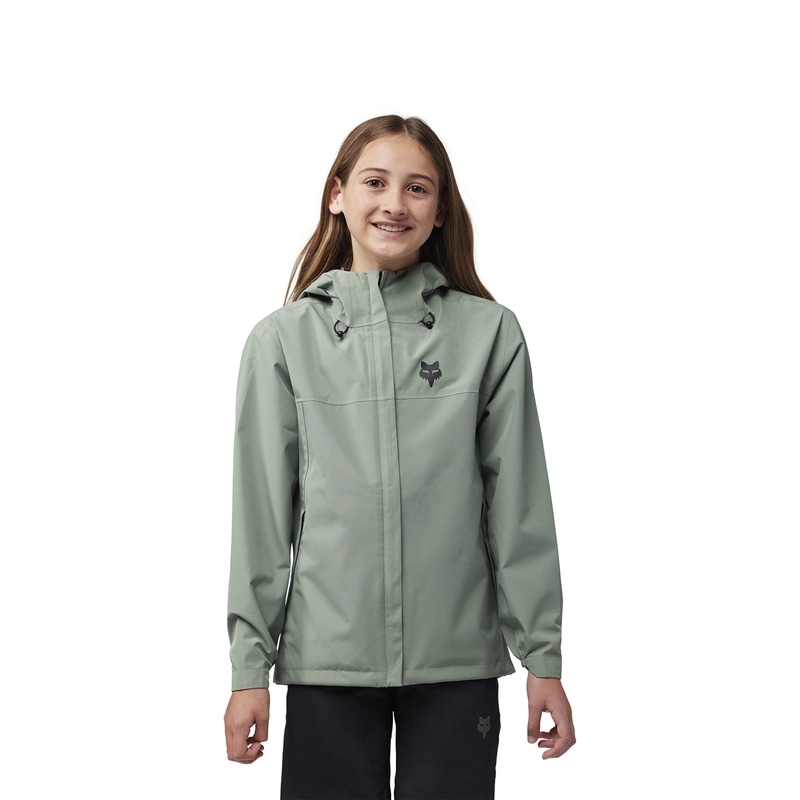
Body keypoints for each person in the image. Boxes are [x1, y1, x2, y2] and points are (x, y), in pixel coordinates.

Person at [224, 114, 575, 799]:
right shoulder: (282, 342)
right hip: (328, 663)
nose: (395, 203)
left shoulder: (489, 334)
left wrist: (543, 658)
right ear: (337, 194)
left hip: (456, 664)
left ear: (440, 210)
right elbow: (260, 519)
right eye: (375, 182)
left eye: (418, 188)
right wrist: (247, 672)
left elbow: (519, 509)